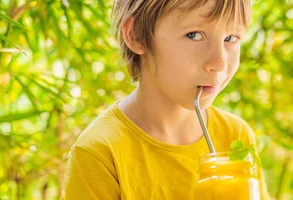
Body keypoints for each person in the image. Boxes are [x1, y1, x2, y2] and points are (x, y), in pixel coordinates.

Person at [63, 0, 269, 199]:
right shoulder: (100, 153)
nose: (220, 63)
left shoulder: (235, 137)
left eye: (231, 38)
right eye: (194, 35)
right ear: (136, 36)